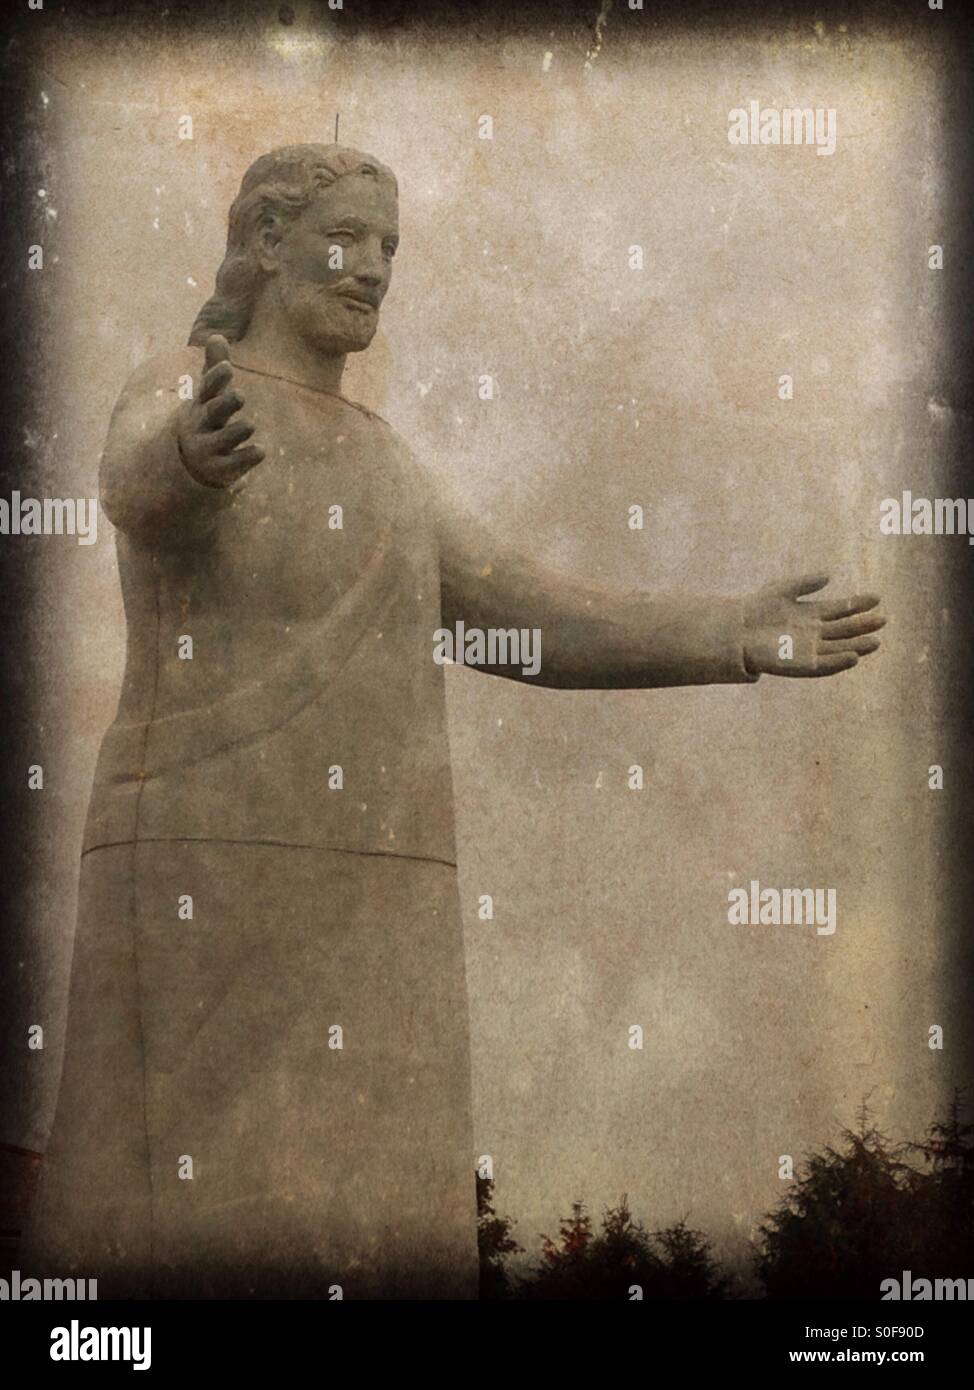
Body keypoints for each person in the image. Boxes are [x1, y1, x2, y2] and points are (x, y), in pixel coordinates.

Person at [22, 144, 885, 1299]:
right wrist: (189, 456)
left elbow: (521, 614)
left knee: (381, 1213)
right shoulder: (191, 379)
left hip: (382, 885)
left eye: (389, 248)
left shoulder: (387, 465)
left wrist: (729, 629)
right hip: (204, 855)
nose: (373, 268)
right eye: (345, 237)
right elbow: (133, 478)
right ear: (265, 243)